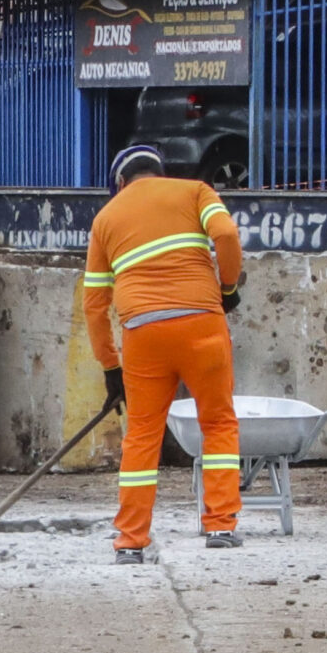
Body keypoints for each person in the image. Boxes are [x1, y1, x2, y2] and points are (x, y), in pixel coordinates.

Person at [81, 143, 245, 564]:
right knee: (218, 422)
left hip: (143, 333)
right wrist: (227, 288)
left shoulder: (105, 219)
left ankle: (130, 541)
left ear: (120, 182)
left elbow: (95, 305)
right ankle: (221, 525)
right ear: (160, 171)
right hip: (202, 325)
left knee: (142, 434)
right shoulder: (195, 191)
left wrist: (110, 366)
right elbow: (225, 235)